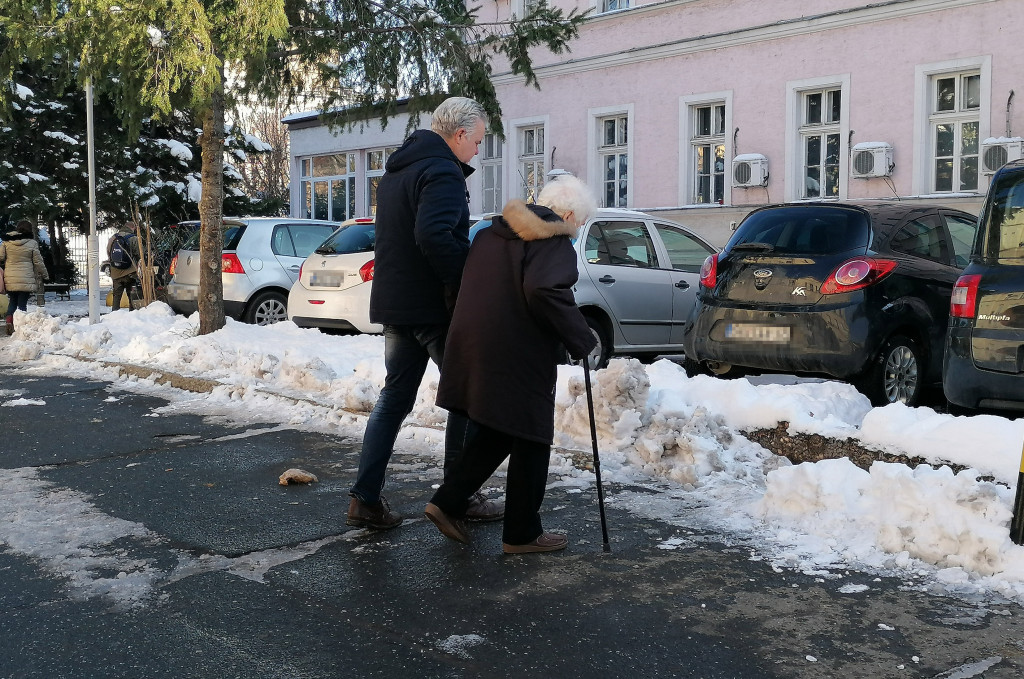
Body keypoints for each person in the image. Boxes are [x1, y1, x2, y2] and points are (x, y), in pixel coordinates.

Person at [346, 96, 504, 530]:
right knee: (467, 397)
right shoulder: (442, 172)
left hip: (396, 304)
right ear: (458, 135)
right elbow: (433, 235)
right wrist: (467, 282)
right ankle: (459, 495)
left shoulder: (398, 170)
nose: (477, 150)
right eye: (477, 141)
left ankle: (365, 499)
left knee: (394, 398)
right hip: (432, 306)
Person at [423, 175, 599, 554]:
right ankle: (520, 533)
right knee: (533, 433)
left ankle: (451, 501)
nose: (576, 230)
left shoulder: (490, 233)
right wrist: (581, 338)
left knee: (504, 428)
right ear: (567, 214)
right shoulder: (552, 239)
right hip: (518, 348)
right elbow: (544, 289)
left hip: (476, 341)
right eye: (579, 223)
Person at [0, 220, 49, 336]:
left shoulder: (7, 242)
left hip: (10, 278)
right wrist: (45, 275)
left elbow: (1, 257)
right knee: (22, 304)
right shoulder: (32, 243)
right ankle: (20, 327)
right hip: (26, 278)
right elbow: (38, 262)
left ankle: (9, 322)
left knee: (12, 302)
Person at [107, 221, 139, 311]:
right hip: (130, 271)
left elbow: (109, 252)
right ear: (133, 228)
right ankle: (132, 313)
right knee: (131, 295)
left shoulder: (113, 238)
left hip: (116, 271)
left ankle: (114, 313)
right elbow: (139, 254)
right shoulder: (134, 238)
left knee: (117, 295)